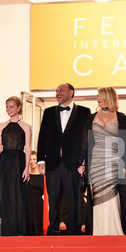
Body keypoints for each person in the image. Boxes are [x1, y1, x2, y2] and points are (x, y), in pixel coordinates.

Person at [81, 86, 126, 235]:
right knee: (98, 196)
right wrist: (81, 162)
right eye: (97, 96)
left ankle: (114, 231)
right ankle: (98, 231)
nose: (97, 99)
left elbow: (125, 143)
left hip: (114, 162)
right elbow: (85, 143)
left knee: (113, 197)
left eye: (100, 96)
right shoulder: (90, 118)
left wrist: (124, 165)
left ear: (108, 97)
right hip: (95, 163)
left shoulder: (121, 118)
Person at [37, 83, 90, 235]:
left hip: (74, 164)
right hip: (53, 164)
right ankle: (52, 231)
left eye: (61, 90)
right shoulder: (48, 112)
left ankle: (75, 232)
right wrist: (41, 160)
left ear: (71, 92)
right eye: (56, 91)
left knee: (74, 200)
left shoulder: (84, 112)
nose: (57, 93)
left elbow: (87, 139)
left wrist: (84, 161)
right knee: (53, 201)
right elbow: (42, 137)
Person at [0, 96, 32, 236]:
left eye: (11, 106)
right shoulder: (2, 126)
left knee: (17, 195)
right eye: (7, 106)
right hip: (4, 163)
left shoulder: (26, 127)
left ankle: (17, 230)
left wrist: (26, 168)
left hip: (19, 162)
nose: (8, 109)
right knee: (2, 194)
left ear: (19, 107)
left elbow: (28, 148)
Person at [27, 150, 46, 235]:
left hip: (40, 204)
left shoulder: (43, 176)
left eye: (34, 159)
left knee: (39, 224)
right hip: (28, 204)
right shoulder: (26, 175)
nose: (32, 162)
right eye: (30, 159)